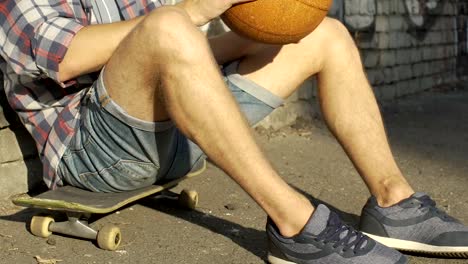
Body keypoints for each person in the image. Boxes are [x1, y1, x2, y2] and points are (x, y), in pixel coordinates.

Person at [1, 0, 467, 263]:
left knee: (325, 34)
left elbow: (180, 50)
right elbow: (66, 56)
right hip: (95, 156)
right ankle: (297, 227)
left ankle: (394, 203)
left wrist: (262, 30)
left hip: (174, 133)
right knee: (168, 24)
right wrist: (197, 9)